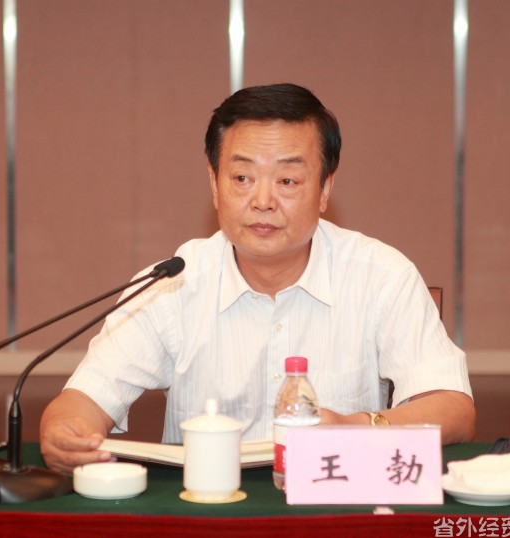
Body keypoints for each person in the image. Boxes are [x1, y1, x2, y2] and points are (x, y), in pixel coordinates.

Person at [40, 83, 475, 473]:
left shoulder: (382, 276)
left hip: (335, 507)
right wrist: (65, 433)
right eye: (242, 178)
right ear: (215, 185)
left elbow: (453, 408)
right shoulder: (171, 285)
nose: (263, 200)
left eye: (287, 180)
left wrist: (356, 427)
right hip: (206, 510)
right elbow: (83, 401)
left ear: (325, 189)